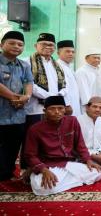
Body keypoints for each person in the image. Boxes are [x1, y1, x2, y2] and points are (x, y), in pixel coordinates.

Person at [24, 96, 101, 196]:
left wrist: (88, 160)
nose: (57, 112)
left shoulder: (72, 121)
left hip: (68, 163)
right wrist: (43, 170)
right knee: (42, 188)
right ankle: (38, 176)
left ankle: (62, 181)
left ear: (65, 109)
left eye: (60, 108)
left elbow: (80, 144)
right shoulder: (35, 129)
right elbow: (30, 155)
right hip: (48, 165)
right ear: (45, 111)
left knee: (98, 173)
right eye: (52, 109)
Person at [24, 33, 69, 168]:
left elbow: (65, 85)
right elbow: (30, 84)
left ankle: (48, 165)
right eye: (44, 44)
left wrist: (59, 95)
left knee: (49, 139)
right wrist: (50, 98)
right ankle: (27, 168)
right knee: (31, 140)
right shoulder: (27, 62)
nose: (48, 47)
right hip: (35, 109)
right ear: (36, 45)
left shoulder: (57, 65)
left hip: (54, 109)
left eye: (51, 45)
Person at [0, 31, 33, 181]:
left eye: (20, 44)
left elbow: (28, 82)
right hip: (1, 112)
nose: (16, 46)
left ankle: (7, 173)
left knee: (13, 146)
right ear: (2, 45)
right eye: (12, 43)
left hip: (18, 113)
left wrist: (26, 96)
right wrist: (15, 97)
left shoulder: (24, 65)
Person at [56, 40, 81, 116]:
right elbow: (60, 88)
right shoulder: (57, 67)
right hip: (66, 107)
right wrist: (66, 104)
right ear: (58, 53)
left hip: (74, 104)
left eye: (73, 52)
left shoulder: (69, 68)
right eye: (67, 51)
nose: (71, 54)